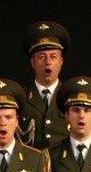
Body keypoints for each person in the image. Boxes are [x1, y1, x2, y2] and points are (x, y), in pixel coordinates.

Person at [20, 21, 71, 149]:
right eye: (42, 57)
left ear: (61, 61)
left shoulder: (71, 98)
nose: (48, 62)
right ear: (33, 62)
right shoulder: (20, 98)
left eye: (53, 57)